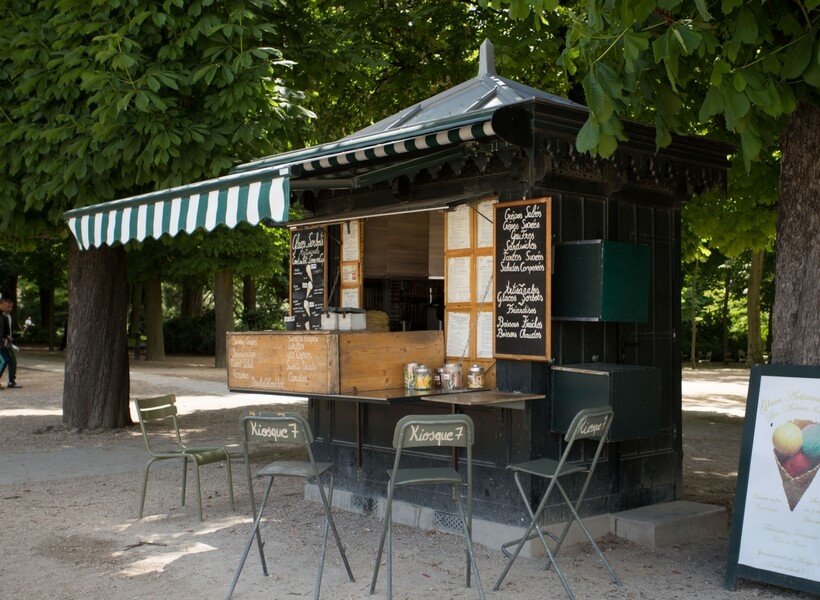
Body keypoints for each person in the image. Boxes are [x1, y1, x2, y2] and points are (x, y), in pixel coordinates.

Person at [0, 298, 20, 388]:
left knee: (11, 361)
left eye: (10, 307)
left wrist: (9, 337)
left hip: (7, 342)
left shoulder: (9, 316)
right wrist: (5, 336)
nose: (8, 308)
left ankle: (11, 381)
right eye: (6, 306)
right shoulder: (1, 316)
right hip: (3, 342)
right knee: (4, 360)